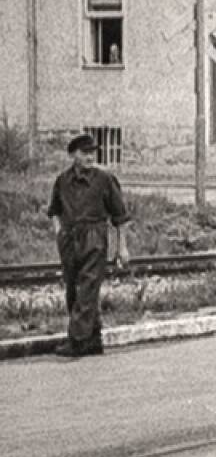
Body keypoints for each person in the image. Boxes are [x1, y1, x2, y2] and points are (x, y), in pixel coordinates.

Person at [46, 133, 131, 357]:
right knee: (73, 290)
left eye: (93, 152)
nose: (90, 157)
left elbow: (120, 217)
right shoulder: (62, 181)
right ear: (74, 154)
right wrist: (59, 233)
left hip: (95, 237)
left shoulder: (105, 179)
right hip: (69, 239)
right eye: (85, 153)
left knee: (88, 289)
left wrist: (122, 248)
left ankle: (76, 340)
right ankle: (93, 339)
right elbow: (54, 211)